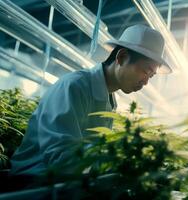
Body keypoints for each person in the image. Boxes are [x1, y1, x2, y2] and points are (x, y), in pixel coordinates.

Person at [10, 24, 172, 176]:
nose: (145, 82)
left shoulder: (108, 99)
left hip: (63, 185)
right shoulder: (74, 87)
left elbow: (88, 157)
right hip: (31, 184)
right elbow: (60, 158)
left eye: (151, 76)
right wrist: (116, 157)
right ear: (122, 57)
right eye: (145, 71)